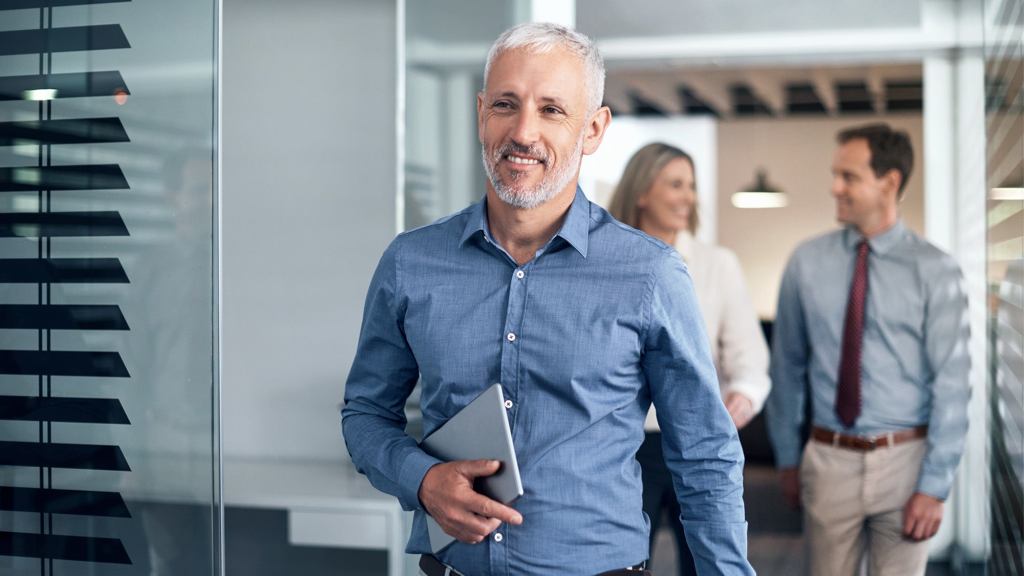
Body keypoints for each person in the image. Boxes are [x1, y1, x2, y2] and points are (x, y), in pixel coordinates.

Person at [342, 22, 753, 576]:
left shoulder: (649, 274)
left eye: (552, 110)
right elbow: (366, 413)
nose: (524, 132)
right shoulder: (411, 261)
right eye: (506, 105)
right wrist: (421, 479)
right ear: (481, 113)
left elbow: (705, 453)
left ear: (593, 129)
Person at [765, 123, 970, 576]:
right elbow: (788, 366)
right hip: (828, 458)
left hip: (906, 463)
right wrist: (786, 456)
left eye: (849, 177)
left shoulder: (936, 271)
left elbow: (953, 386)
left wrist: (934, 486)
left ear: (889, 182)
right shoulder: (807, 262)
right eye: (836, 175)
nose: (835, 187)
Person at [608, 143, 771, 576]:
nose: (689, 197)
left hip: (696, 442)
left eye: (692, 186)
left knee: (705, 565)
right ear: (642, 191)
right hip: (623, 446)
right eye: (676, 184)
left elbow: (750, 360)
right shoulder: (602, 264)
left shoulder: (719, 265)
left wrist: (744, 397)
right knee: (620, 565)